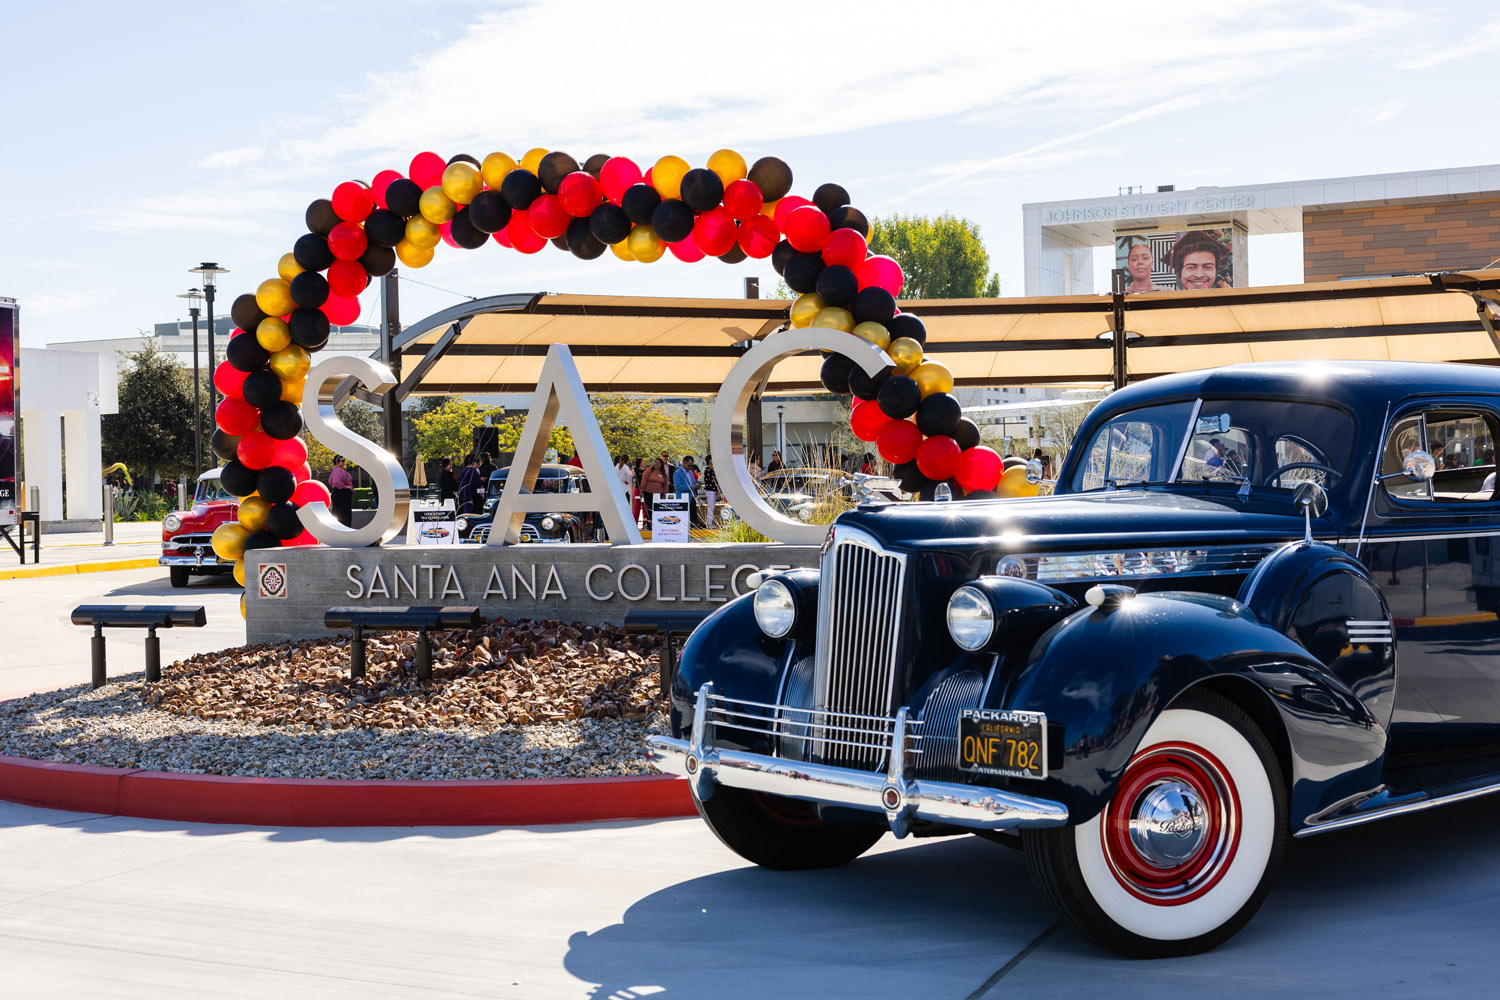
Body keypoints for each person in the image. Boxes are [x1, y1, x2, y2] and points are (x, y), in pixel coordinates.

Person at [640, 455, 670, 521]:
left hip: (659, 494)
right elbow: (644, 480)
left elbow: (665, 484)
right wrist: (642, 490)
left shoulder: (663, 473)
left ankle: (657, 523)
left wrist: (665, 494)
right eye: (656, 462)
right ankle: (649, 523)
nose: (656, 464)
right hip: (649, 493)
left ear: (661, 465)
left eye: (658, 463)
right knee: (650, 508)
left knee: (657, 508)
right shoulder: (649, 470)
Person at [674, 455, 701, 528]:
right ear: (684, 463)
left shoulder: (691, 472)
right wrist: (691, 487)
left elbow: (693, 482)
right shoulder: (677, 473)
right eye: (689, 465)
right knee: (685, 517)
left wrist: (697, 485)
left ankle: (692, 528)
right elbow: (678, 486)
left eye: (692, 466)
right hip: (683, 498)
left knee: (693, 515)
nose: (691, 467)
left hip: (692, 496)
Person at [329, 456, 354, 526]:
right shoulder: (338, 470)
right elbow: (336, 482)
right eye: (342, 461)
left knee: (340, 513)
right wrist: (345, 487)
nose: (344, 462)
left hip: (340, 493)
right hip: (342, 494)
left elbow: (330, 481)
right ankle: (344, 529)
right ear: (337, 462)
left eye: (344, 460)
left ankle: (341, 529)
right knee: (344, 514)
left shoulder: (336, 470)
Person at [702, 455, 720, 526]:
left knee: (712, 506)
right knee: (711, 506)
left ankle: (710, 521)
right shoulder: (708, 470)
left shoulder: (711, 469)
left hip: (712, 490)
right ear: (709, 460)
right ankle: (709, 523)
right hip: (710, 490)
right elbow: (710, 481)